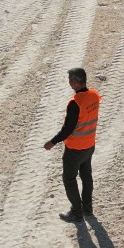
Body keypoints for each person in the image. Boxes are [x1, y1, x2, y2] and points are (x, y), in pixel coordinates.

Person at [43, 67, 99, 223]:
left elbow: (67, 129)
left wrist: (52, 142)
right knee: (86, 176)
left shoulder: (75, 103)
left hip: (75, 149)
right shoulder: (94, 95)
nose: (69, 84)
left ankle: (76, 213)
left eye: (70, 81)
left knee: (69, 179)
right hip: (89, 145)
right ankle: (87, 209)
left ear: (75, 82)